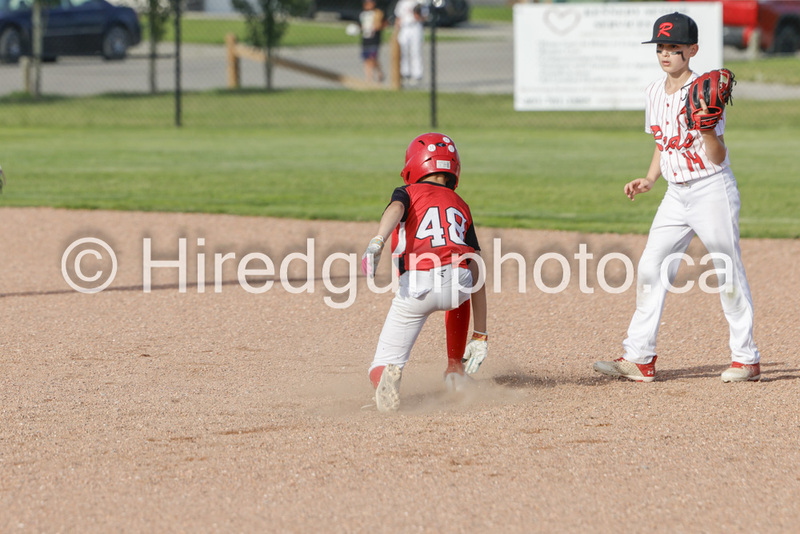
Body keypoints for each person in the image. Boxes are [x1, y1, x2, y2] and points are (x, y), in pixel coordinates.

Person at [593, 12, 761, 383]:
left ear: (692, 50)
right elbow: (662, 142)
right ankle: (639, 358)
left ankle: (746, 358)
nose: (666, 54)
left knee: (727, 271)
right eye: (661, 47)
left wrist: (708, 131)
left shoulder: (703, 93)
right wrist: (650, 177)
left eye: (674, 47)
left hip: (711, 188)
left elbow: (717, 156)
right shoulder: (653, 92)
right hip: (674, 194)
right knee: (651, 267)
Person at [361, 132, 488, 412]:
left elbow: (396, 208)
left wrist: (378, 239)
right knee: (461, 286)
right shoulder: (461, 205)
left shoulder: (407, 192)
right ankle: (455, 372)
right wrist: (480, 334)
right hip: (459, 283)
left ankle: (385, 379)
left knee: (381, 364)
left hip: (419, 286)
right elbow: (476, 268)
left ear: (415, 163)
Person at [393, 0, 426, 86]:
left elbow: (425, 16)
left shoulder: (419, 2)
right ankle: (405, 73)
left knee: (415, 52)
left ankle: (417, 74)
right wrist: (396, 30)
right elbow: (398, 17)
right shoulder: (402, 3)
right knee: (403, 51)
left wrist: (418, 16)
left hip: (415, 27)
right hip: (404, 28)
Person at [358, 0, 387, 83]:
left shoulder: (377, 13)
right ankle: (369, 78)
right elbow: (360, 25)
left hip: (374, 39)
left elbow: (384, 23)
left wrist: (377, 26)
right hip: (365, 38)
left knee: (372, 58)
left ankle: (377, 73)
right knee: (366, 59)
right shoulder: (363, 14)